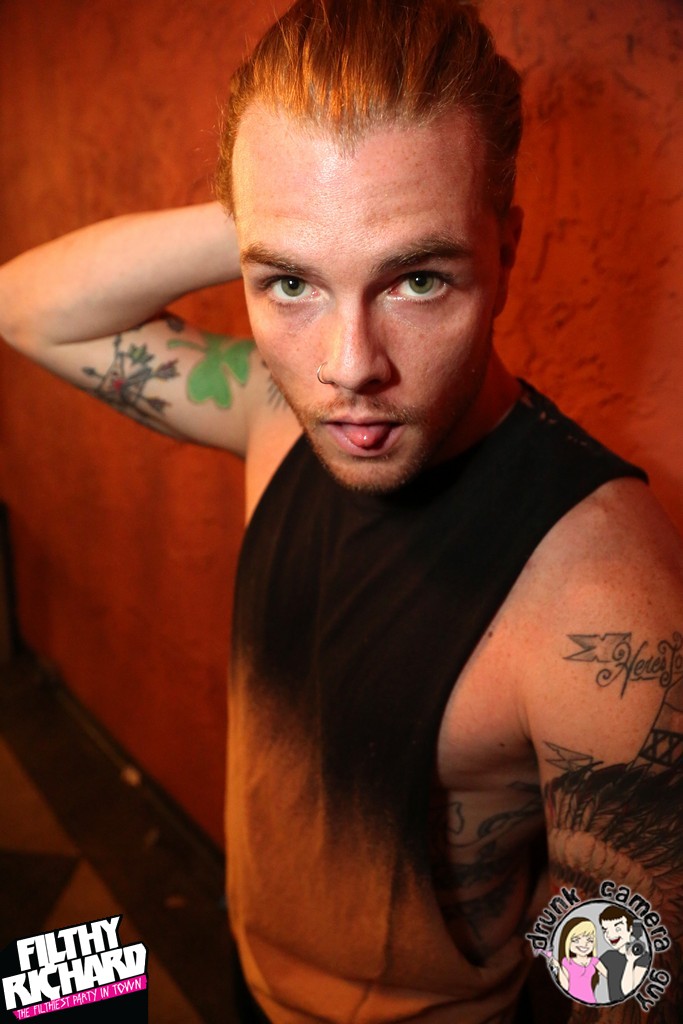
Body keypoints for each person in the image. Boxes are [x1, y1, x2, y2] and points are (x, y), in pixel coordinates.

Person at [0, 1, 682, 1021]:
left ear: (504, 252)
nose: (348, 368)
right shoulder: (277, 417)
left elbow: (621, 984)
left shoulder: (603, 605)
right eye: (290, 284)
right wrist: (284, 210)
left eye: (417, 278)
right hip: (243, 971)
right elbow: (26, 309)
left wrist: (310, 236)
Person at [599, 907, 652, 1004]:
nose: (610, 935)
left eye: (618, 928)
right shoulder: (608, 956)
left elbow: (627, 992)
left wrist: (630, 961)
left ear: (630, 929)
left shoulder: (643, 957)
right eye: (605, 930)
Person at [551, 917, 607, 1005]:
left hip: (590, 1001)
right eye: (576, 940)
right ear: (567, 941)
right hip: (571, 1002)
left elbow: (610, 976)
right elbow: (565, 986)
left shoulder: (594, 961)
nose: (584, 944)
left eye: (590, 940)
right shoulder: (566, 962)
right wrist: (557, 967)